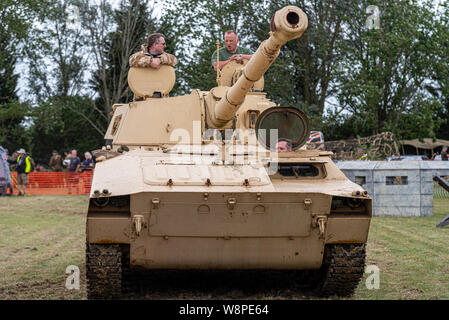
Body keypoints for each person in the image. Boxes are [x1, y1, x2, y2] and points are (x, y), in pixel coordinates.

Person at [129, 33, 178, 100]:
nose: (165, 46)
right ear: (155, 45)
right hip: (141, 99)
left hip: (162, 99)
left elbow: (174, 60)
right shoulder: (140, 55)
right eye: (163, 44)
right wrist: (150, 61)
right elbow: (131, 60)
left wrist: (160, 59)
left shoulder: (165, 56)